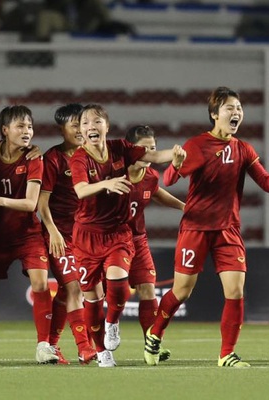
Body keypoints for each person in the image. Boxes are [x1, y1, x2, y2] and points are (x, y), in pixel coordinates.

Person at [143, 86, 269, 368]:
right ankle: (155, 333)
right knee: (182, 291)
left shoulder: (244, 149)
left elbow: (268, 184)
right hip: (196, 228)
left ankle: (226, 354)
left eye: (238, 108)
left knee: (236, 292)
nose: (236, 112)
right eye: (229, 108)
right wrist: (175, 165)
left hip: (228, 230)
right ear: (214, 114)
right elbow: (169, 181)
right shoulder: (197, 145)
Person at [68, 104, 179, 367]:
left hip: (118, 233)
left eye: (96, 122)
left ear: (106, 126)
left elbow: (155, 156)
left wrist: (176, 153)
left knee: (119, 284)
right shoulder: (79, 158)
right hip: (86, 236)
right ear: (81, 130)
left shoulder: (121, 148)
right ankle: (101, 350)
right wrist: (106, 183)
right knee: (92, 298)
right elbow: (81, 190)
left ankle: (112, 322)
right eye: (85, 123)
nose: (90, 127)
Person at [0, 105, 58, 365]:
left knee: (41, 283)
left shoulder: (33, 158)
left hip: (27, 233)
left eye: (29, 126)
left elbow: (31, 204)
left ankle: (44, 346)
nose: (27, 131)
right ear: (5, 130)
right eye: (20, 126)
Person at [36, 103, 97, 365]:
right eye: (76, 125)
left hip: (86, 235)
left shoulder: (93, 156)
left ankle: (51, 344)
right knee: (74, 287)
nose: (82, 130)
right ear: (62, 129)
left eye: (84, 124)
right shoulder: (53, 159)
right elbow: (42, 201)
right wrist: (52, 232)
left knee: (66, 291)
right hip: (60, 235)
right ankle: (85, 347)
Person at [124, 125, 184, 363]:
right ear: (131, 149)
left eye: (153, 148)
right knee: (103, 295)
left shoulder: (150, 176)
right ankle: (94, 345)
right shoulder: (113, 172)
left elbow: (156, 192)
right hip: (108, 240)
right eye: (144, 148)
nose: (149, 152)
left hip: (138, 240)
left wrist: (183, 206)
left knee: (148, 289)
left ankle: (151, 344)